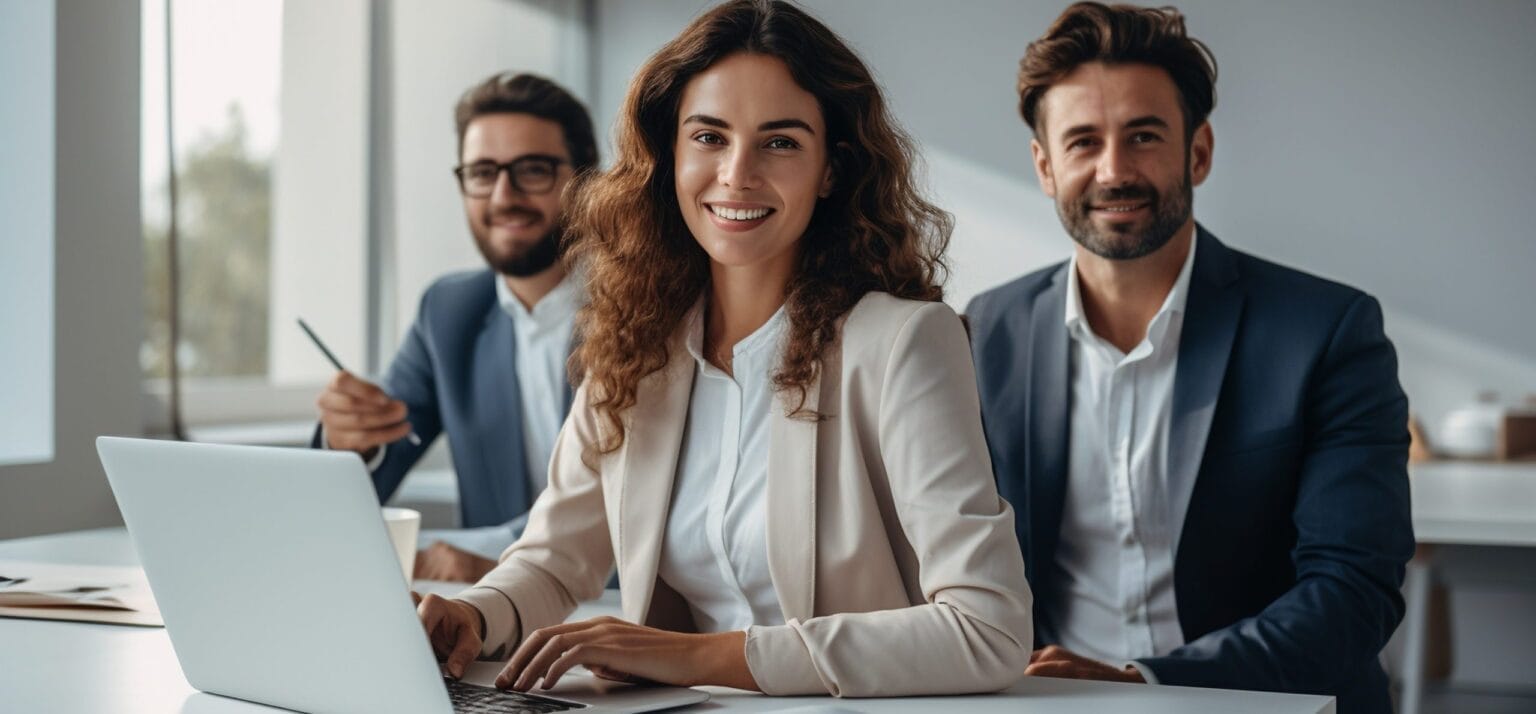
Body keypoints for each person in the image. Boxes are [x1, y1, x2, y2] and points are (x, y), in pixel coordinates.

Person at [413, 0, 1033, 697]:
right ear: (668, 154)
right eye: (709, 137)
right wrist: (474, 611)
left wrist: (695, 656)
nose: (737, 174)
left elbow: (989, 629)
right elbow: (556, 560)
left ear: (832, 168)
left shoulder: (903, 344)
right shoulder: (632, 341)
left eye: (781, 142)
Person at [965, 4, 1412, 712]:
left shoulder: (1327, 331)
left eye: (1143, 136)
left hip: (1267, 702)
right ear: (1046, 167)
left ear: (1197, 151)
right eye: (1084, 142)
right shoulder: (983, 333)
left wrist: (1143, 683)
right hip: (1046, 701)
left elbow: (1353, 590)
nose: (1114, 171)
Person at [311, 73, 599, 583]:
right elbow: (375, 467)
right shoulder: (449, 312)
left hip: (619, 613)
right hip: (483, 628)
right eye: (482, 172)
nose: (503, 196)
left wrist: (501, 555)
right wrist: (350, 441)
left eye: (532, 170)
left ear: (589, 180)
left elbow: (631, 499)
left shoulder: (647, 306)